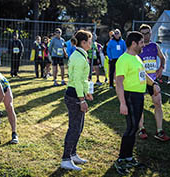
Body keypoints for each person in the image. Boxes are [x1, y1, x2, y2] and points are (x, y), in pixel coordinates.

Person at [114, 31, 161, 175]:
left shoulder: (137, 58)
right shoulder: (124, 59)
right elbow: (119, 83)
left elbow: (144, 74)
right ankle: (121, 159)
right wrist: (122, 102)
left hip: (138, 96)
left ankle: (128, 157)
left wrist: (153, 84)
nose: (143, 45)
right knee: (131, 128)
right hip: (129, 96)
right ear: (133, 44)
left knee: (134, 128)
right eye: (141, 43)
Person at [60, 30, 93, 171]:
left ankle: (72, 154)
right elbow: (77, 82)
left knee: (78, 127)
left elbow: (81, 80)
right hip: (74, 96)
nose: (91, 44)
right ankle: (65, 159)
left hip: (77, 94)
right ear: (83, 43)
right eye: (90, 41)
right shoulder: (79, 57)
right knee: (74, 128)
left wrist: (87, 93)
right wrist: (82, 100)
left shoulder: (80, 55)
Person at [137, 24, 170, 141]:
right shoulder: (137, 46)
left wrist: (161, 68)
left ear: (151, 33)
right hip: (140, 80)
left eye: (147, 33)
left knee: (158, 103)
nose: (145, 36)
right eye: (143, 33)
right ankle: (141, 129)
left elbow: (162, 58)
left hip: (153, 80)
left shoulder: (154, 46)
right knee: (139, 105)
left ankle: (160, 131)